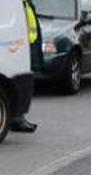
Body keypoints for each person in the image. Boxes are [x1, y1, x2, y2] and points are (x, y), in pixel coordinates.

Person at [9, 0, 39, 133]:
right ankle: (17, 118)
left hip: (26, 45)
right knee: (19, 82)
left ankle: (19, 117)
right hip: (20, 46)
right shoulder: (17, 3)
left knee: (23, 82)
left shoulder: (25, 3)